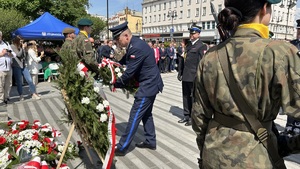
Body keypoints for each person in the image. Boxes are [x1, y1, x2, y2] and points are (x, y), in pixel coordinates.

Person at [192, 0, 300, 168]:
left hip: (213, 156)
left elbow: (199, 118)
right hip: (257, 158)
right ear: (264, 9)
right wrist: (287, 145)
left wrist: (204, 152)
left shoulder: (210, 57)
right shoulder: (281, 52)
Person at [110, 21, 164, 156]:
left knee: (135, 115)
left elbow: (129, 72)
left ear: (126, 36)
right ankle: (150, 141)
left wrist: (114, 83)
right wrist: (110, 65)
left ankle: (122, 147)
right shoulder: (133, 44)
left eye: (118, 39)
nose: (117, 43)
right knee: (146, 114)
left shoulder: (136, 47)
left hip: (148, 86)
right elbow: (124, 61)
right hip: (151, 84)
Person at [177, 24, 207, 126]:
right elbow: (183, 59)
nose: (191, 35)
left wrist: (199, 76)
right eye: (190, 33)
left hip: (194, 76)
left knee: (193, 98)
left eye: (193, 33)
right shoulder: (188, 45)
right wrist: (180, 72)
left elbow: (201, 62)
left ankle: (193, 118)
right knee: (185, 96)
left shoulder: (201, 46)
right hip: (186, 75)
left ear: (198, 34)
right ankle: (186, 115)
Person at [282, 19, 300, 137]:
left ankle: (298, 127)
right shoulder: (292, 44)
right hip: (292, 79)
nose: (299, 32)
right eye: (298, 30)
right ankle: (290, 126)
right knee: (290, 102)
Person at [11, 36, 40, 101]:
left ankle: (33, 93)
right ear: (17, 41)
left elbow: (24, 57)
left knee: (29, 80)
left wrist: (26, 50)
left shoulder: (22, 47)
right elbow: (18, 55)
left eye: (23, 41)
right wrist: (22, 48)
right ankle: (21, 95)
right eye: (21, 41)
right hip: (16, 66)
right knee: (19, 82)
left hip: (23, 66)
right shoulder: (12, 46)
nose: (22, 43)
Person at [0, 31, 16, 105]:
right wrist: (1, 54)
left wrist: (10, 53)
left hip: (9, 68)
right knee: (0, 85)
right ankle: (1, 100)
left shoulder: (6, 44)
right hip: (1, 69)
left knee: (8, 84)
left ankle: (6, 98)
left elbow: (14, 55)